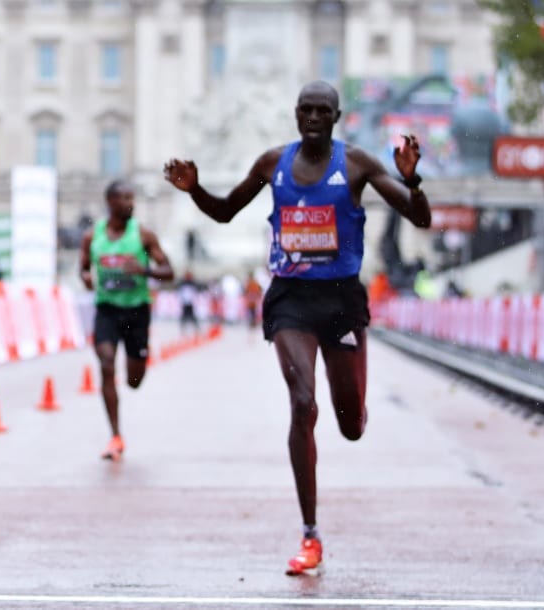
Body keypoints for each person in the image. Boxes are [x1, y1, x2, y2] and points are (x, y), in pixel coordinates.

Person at [164, 80, 430, 576]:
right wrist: (195, 189)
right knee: (302, 402)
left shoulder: (357, 164)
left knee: (350, 426)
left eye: (322, 111)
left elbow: (420, 219)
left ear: (336, 117)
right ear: (295, 114)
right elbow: (225, 212)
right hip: (291, 300)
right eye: (305, 109)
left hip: (342, 301)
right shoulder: (272, 163)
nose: (312, 117)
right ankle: (310, 532)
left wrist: (412, 180)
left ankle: (354, 411)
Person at [79, 179, 173, 461]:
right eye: (125, 198)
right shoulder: (92, 236)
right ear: (110, 202)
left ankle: (138, 360)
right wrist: (86, 277)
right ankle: (115, 436)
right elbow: (83, 267)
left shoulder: (143, 235)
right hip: (107, 309)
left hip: (137, 311)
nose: (131, 203)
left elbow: (169, 271)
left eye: (132, 198)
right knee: (106, 363)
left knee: (134, 380)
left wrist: (145, 270)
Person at [176, 270, 201, 338]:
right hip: (184, 302)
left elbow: (195, 292)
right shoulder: (182, 284)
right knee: (184, 317)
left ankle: (196, 329)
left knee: (192, 317)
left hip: (190, 302)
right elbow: (179, 293)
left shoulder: (192, 283)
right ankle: (183, 330)